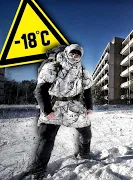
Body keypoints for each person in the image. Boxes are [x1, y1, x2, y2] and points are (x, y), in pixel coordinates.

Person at [28, 44, 94, 179]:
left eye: (78, 54)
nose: (75, 56)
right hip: (55, 106)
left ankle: (85, 154)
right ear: (67, 52)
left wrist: (89, 107)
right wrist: (46, 110)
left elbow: (88, 92)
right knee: (46, 137)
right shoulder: (52, 67)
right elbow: (40, 90)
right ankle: (38, 171)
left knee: (86, 132)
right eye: (72, 53)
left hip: (75, 106)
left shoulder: (83, 71)